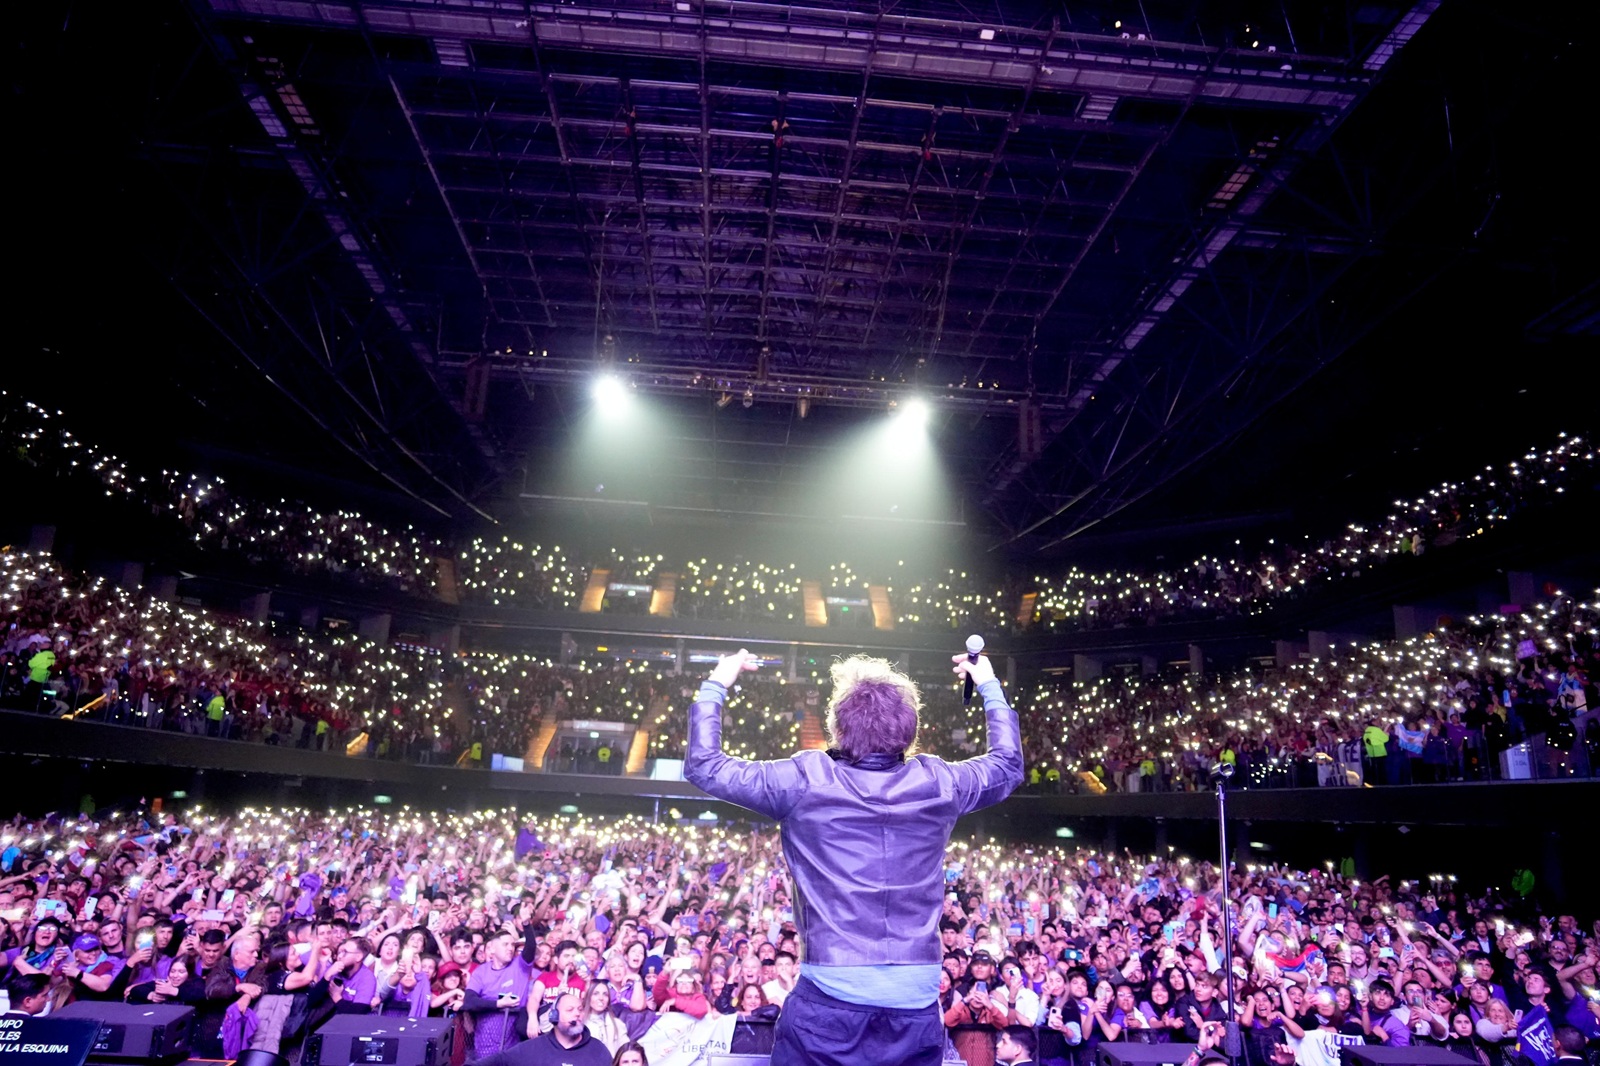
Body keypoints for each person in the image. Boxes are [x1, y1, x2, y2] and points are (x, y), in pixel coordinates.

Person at [685, 646, 1022, 1066]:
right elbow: (1007, 766)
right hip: (915, 995)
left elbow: (705, 766)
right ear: (909, 729)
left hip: (831, 990)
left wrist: (716, 684)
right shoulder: (940, 781)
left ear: (838, 728)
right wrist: (988, 684)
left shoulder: (805, 779)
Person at [473, 989, 611, 1066]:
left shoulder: (598, 1050)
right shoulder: (532, 1048)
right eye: (570, 1010)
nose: (577, 1014)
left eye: (580, 1010)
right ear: (554, 1016)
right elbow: (499, 1061)